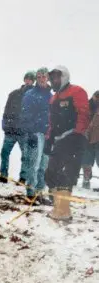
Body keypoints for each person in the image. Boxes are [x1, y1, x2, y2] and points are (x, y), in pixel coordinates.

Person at [44, 66, 90, 222]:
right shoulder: (53, 98)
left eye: (57, 77)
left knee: (66, 174)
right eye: (52, 78)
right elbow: (51, 121)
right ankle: (57, 206)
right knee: (50, 173)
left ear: (64, 77)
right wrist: (49, 138)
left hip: (75, 139)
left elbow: (84, 114)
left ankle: (63, 211)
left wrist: (76, 133)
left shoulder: (77, 91)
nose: (54, 81)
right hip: (59, 141)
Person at [20, 68, 52, 202]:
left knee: (44, 164)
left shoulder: (51, 96)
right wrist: (30, 131)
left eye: (43, 77)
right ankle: (30, 191)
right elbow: (25, 114)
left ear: (47, 78)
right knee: (34, 163)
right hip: (35, 133)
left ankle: (40, 190)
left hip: (48, 134)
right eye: (38, 77)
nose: (41, 79)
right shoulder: (30, 94)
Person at [0, 71, 35, 183]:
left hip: (24, 132)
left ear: (33, 81)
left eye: (31, 79)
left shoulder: (34, 96)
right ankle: (3, 176)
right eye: (27, 78)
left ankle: (23, 178)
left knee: (25, 156)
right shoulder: (14, 94)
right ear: (24, 79)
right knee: (4, 153)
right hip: (10, 131)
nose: (28, 80)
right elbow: (6, 110)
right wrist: (4, 125)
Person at [81, 91, 99, 190]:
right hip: (87, 137)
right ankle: (86, 179)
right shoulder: (87, 106)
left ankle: (86, 179)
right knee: (86, 160)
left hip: (97, 138)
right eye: (96, 97)